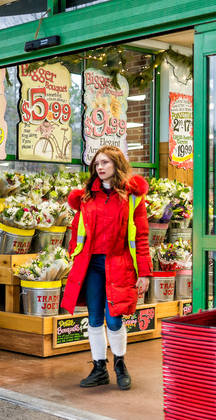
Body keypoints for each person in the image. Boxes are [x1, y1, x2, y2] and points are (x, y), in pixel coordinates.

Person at [60, 145, 151, 391]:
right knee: (94, 319)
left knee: (114, 319)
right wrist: (73, 258)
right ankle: (99, 368)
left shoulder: (133, 198)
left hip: (118, 265)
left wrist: (144, 272)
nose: (100, 168)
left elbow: (141, 237)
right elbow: (77, 233)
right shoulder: (86, 197)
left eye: (105, 163)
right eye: (97, 164)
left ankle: (120, 364)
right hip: (91, 267)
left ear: (117, 165)